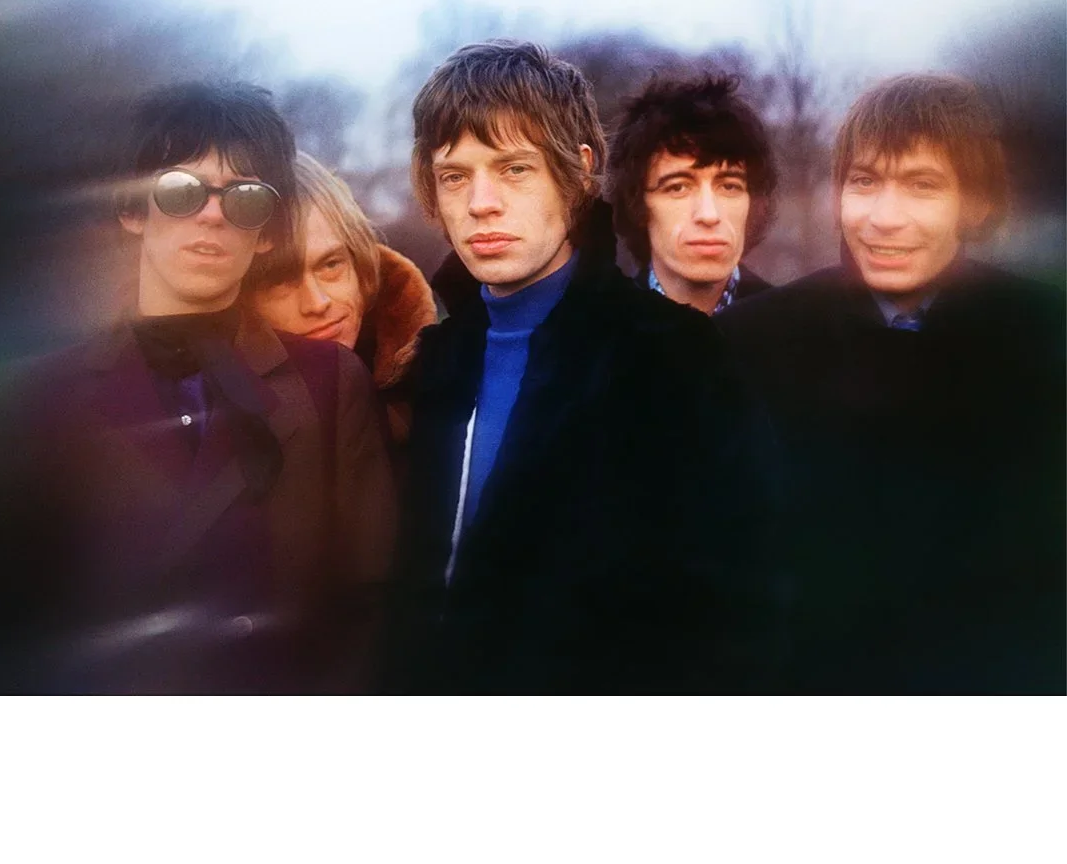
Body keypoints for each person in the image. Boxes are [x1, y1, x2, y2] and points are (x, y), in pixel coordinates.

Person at [0, 80, 395, 694]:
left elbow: (371, 606)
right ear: (133, 209)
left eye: (244, 198)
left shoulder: (329, 384)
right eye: (182, 190)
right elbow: (1, 624)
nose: (213, 213)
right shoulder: (45, 402)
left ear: (265, 231)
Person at [384, 40, 780, 694]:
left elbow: (742, 611)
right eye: (456, 175)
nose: (482, 201)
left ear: (579, 172)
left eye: (514, 169)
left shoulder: (673, 357)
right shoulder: (436, 362)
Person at [718, 73, 1066, 694]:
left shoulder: (1043, 342)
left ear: (977, 203)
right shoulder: (751, 343)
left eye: (922, 186)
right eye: (864, 182)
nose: (884, 218)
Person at [250, 151, 436, 446]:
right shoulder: (225, 427)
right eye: (280, 280)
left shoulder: (447, 390)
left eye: (330, 264)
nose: (317, 302)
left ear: (361, 264)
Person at [606, 72, 777, 312]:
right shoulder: (589, 340)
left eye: (729, 186)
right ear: (638, 205)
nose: (708, 215)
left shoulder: (799, 336)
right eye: (678, 187)